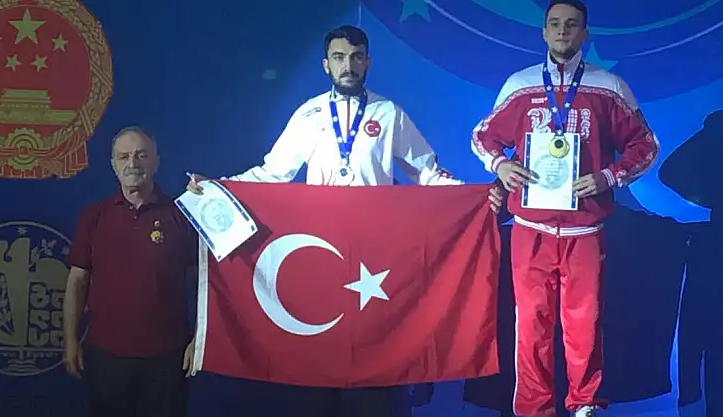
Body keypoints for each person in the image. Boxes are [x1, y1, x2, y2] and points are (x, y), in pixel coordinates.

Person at [187, 25, 504, 417]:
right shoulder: (309, 114)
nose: (348, 66)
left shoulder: (388, 114)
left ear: (368, 62)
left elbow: (427, 173)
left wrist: (474, 197)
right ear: (326, 65)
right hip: (323, 256)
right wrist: (219, 186)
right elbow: (272, 173)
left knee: (374, 380)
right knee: (316, 376)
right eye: (339, 58)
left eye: (356, 57)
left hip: (375, 259)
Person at [469, 1, 659, 416]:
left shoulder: (608, 86)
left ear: (584, 34)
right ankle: (533, 408)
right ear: (543, 32)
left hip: (584, 229)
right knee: (530, 324)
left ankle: (585, 403)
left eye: (571, 25)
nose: (562, 31)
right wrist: (501, 166)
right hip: (530, 227)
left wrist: (609, 176)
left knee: (584, 323)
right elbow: (483, 136)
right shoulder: (520, 85)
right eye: (554, 24)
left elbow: (646, 145)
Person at [63, 126, 198, 417]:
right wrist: (71, 340)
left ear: (156, 162)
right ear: (113, 164)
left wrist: (199, 339)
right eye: (123, 157)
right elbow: (77, 281)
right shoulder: (94, 216)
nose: (132, 163)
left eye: (141, 155)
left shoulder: (182, 215)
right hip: (106, 356)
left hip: (168, 358)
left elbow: (204, 285)